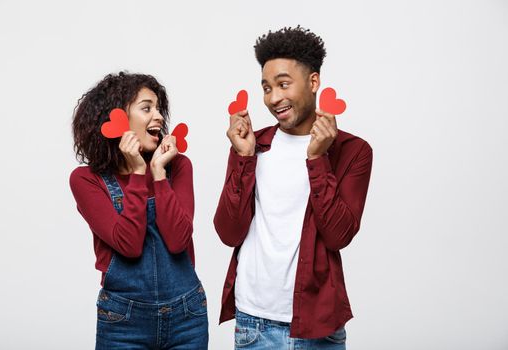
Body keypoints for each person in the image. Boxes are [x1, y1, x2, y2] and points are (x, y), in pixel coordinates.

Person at [214, 26, 373, 349]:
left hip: (318, 325)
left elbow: (338, 235)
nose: (273, 98)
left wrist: (316, 159)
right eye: (266, 87)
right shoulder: (252, 145)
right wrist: (243, 158)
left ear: (313, 82)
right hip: (253, 322)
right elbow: (228, 232)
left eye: (284, 84)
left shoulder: (353, 151)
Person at [70, 72, 208, 349]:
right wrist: (137, 172)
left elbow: (178, 240)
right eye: (147, 108)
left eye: (158, 108)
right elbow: (129, 244)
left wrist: (158, 174)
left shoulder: (178, 167)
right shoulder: (86, 180)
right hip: (123, 321)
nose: (158, 116)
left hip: (187, 315)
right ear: (117, 119)